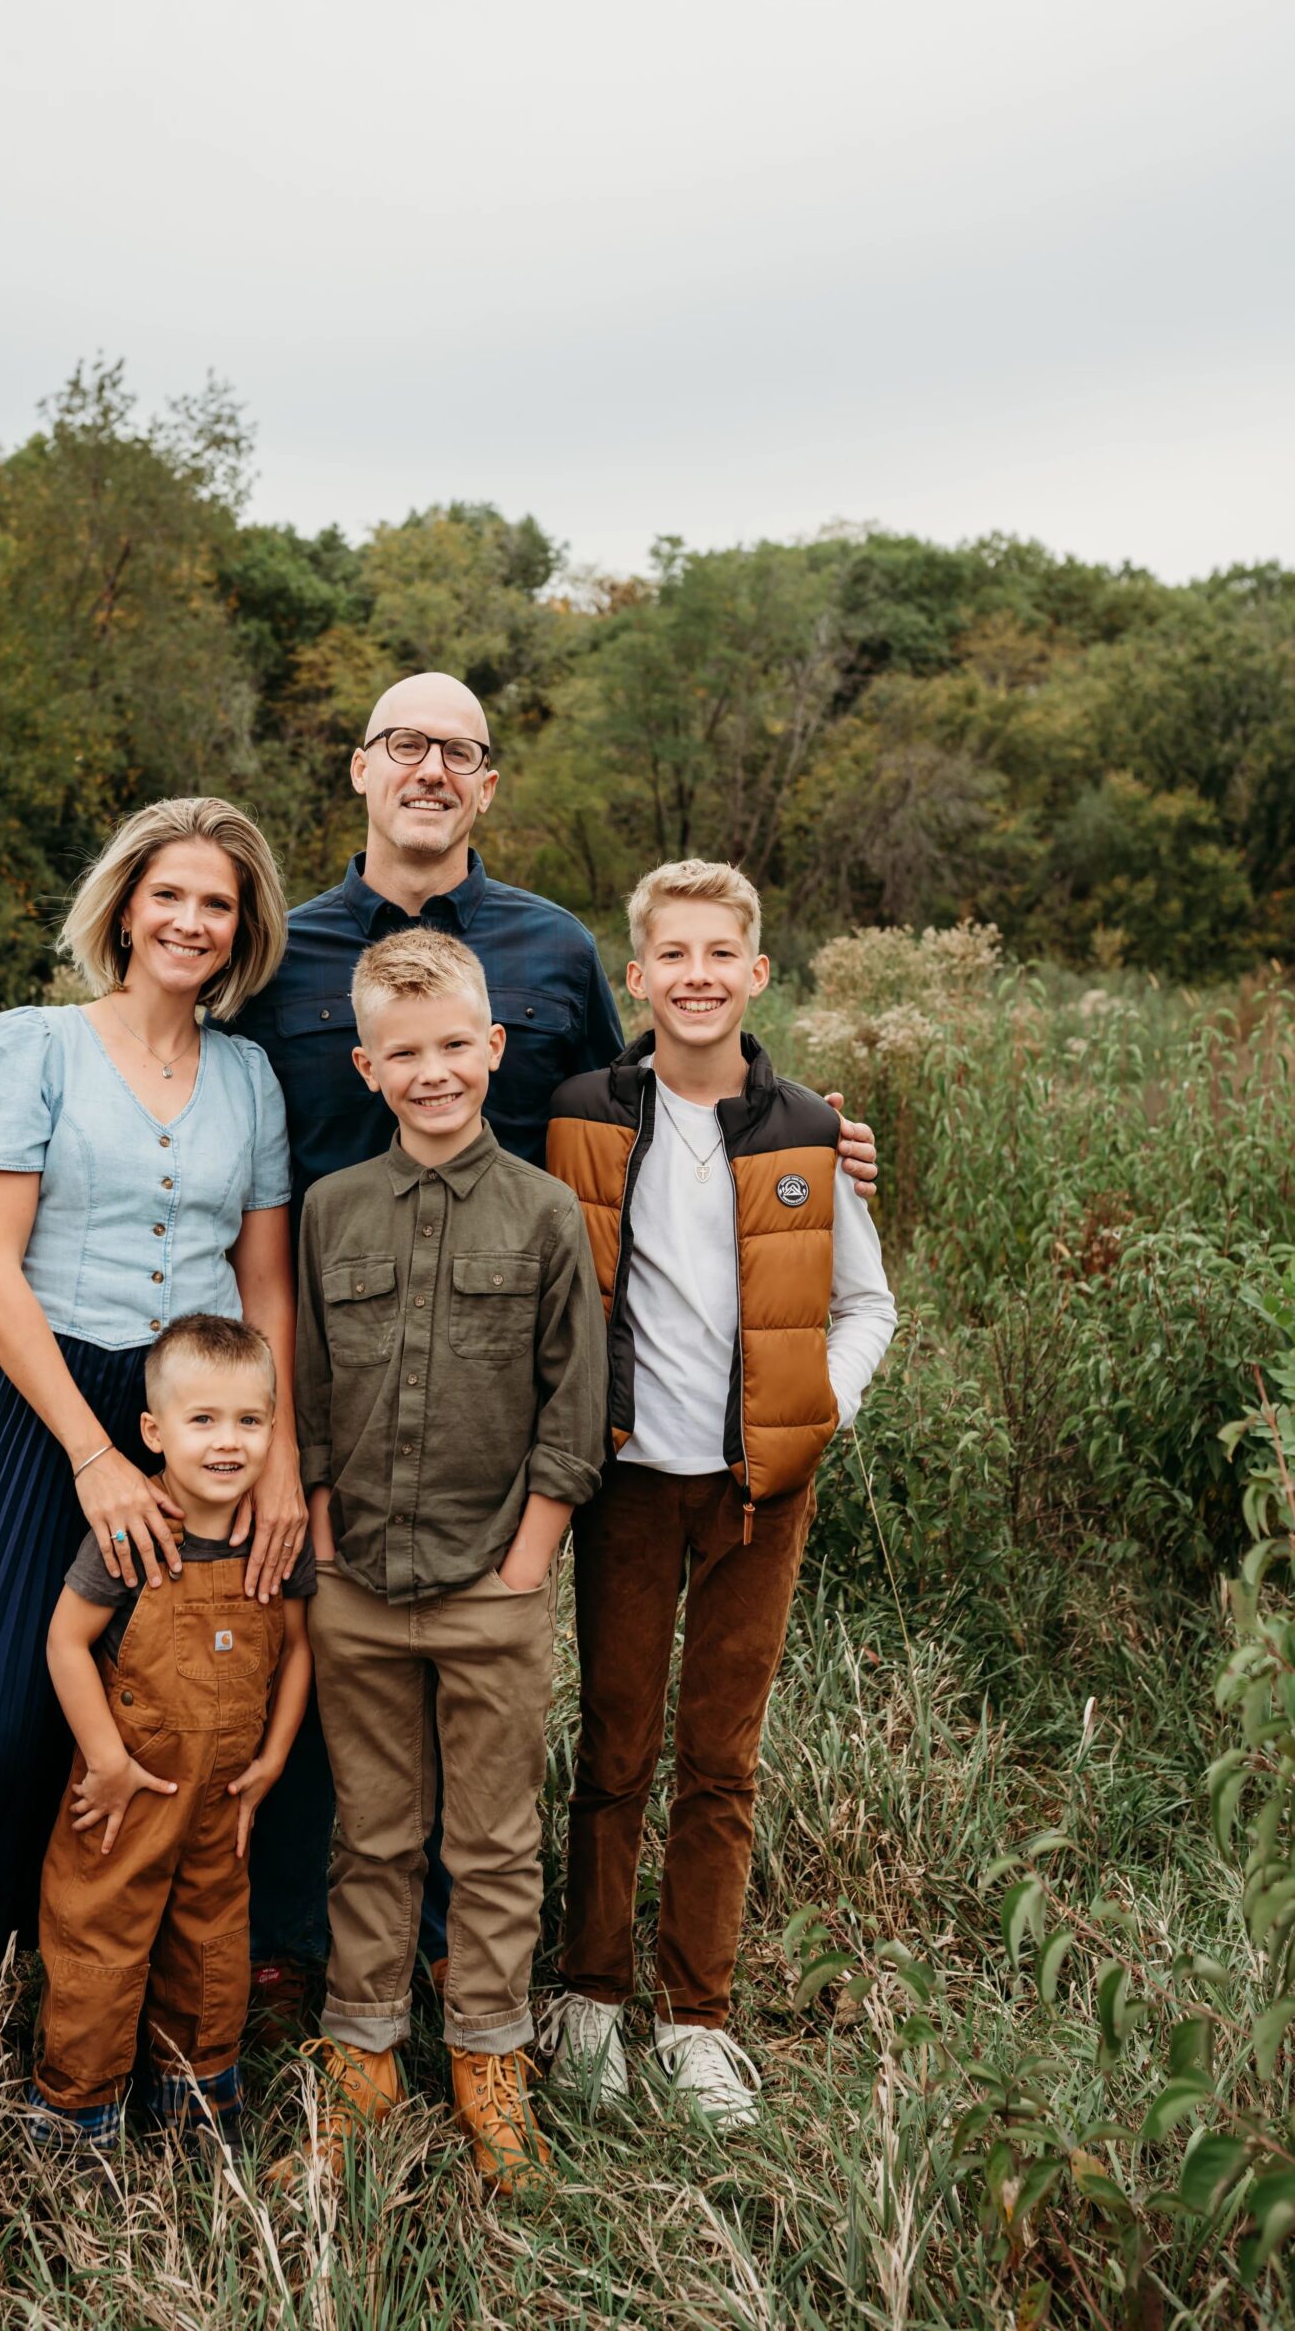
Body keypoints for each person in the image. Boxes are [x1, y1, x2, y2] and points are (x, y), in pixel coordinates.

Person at [232, 670, 881, 2010]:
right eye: (403, 745)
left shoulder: (546, 951)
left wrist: (800, 1129)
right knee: (329, 1648)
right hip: (331, 1376)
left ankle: (478, 1974)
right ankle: (313, 1954)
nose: (429, 769)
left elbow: (646, 1092)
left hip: (512, 1386)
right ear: (358, 768)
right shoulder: (280, 951)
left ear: (484, 784)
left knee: (494, 1673)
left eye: (457, 752)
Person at [0, 797, 307, 2067]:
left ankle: (106, 2012)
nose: (191, 921)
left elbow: (264, 1288)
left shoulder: (249, 1075)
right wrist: (94, 1455)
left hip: (194, 1424)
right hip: (46, 1412)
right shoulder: (30, 1043)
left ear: (242, 927)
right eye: (171, 895)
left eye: (219, 902)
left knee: (164, 1724)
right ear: (124, 906)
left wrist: (279, 1467)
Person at [539, 858, 897, 2120]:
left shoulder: (803, 1128)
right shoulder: (579, 1110)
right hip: (626, 1480)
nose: (695, 977)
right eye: (669, 956)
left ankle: (695, 2019)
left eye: (718, 955)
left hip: (759, 1489)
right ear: (635, 977)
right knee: (616, 1739)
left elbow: (865, 1304)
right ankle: (587, 2000)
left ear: (754, 973)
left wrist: (819, 1408)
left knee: (720, 1757)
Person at [278, 929, 605, 2196]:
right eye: (402, 1053)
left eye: (452, 1048)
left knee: (493, 1841)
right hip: (356, 1583)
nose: (431, 1072)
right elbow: (306, 1386)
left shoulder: (541, 1215)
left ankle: (486, 2056)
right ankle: (361, 2050)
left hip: (491, 1585)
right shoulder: (329, 1211)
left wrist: (527, 1564)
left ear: (493, 1049)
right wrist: (314, 1532)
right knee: (371, 1833)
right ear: (365, 1065)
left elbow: (574, 1406)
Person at [27, 1315, 314, 2167]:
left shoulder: (273, 1542)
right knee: (99, 1937)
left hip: (225, 1792)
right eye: (203, 1421)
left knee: (213, 1941)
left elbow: (299, 1650)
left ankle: (194, 2096)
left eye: (249, 1422)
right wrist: (107, 1760)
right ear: (154, 1431)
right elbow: (65, 1642)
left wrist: (272, 1761)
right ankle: (78, 2114)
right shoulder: (133, 1533)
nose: (229, 1443)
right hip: (128, 1791)